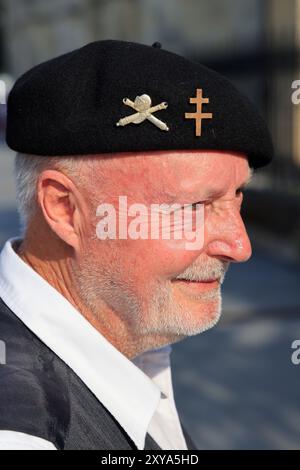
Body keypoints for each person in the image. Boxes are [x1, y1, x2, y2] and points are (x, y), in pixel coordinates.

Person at [0, 40, 273, 450]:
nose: (239, 245)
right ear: (64, 208)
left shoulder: (128, 341)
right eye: (194, 206)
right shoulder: (22, 432)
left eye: (237, 196)